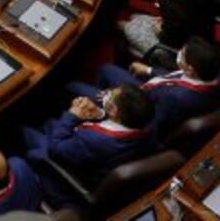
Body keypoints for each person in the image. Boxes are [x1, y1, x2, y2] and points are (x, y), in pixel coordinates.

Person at [22, 84, 157, 207]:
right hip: (105, 160)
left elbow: (55, 148)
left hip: (73, 165)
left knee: (27, 132)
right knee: (50, 123)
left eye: (111, 95)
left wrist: (71, 115)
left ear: (115, 111)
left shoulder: (93, 140)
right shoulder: (145, 124)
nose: (107, 94)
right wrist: (100, 114)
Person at [66, 37, 220, 139]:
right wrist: (150, 71)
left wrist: (114, 101)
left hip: (132, 107)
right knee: (106, 69)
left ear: (191, 69)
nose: (178, 53)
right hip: (147, 91)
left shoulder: (176, 99)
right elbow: (176, 76)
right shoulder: (217, 72)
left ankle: (89, 112)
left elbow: (147, 120)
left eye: (182, 54)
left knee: (72, 87)